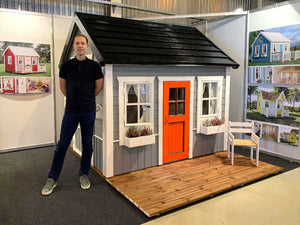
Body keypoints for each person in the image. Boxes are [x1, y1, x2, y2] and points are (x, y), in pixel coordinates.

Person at [41, 34, 104, 196]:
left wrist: (87, 99)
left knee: (87, 145)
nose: (80, 46)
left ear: (87, 46)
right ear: (74, 46)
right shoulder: (66, 65)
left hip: (88, 111)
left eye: (83, 43)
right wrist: (74, 99)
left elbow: (98, 87)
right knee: (62, 145)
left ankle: (84, 174)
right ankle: (52, 179)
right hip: (71, 111)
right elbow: (63, 88)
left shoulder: (94, 67)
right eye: (78, 43)